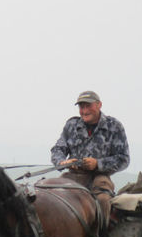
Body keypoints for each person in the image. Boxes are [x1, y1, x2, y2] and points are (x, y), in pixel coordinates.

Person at [50, 90, 130, 220]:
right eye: (82, 107)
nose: (85, 111)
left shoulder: (114, 126)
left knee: (103, 200)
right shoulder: (71, 125)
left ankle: (101, 236)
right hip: (73, 176)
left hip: (100, 178)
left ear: (99, 105)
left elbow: (123, 159)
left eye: (89, 106)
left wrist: (97, 164)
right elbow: (58, 149)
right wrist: (62, 162)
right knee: (51, 195)